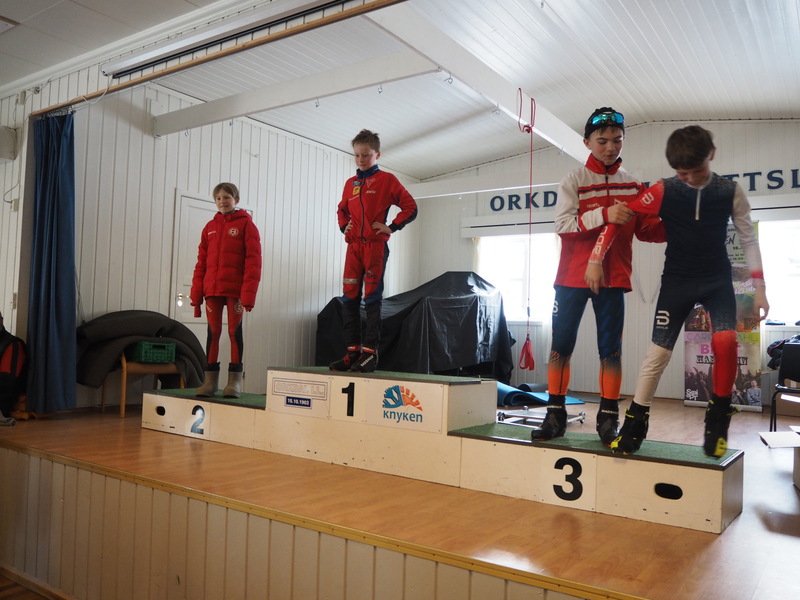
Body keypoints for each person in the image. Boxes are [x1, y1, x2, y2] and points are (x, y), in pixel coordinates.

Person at [586, 125, 769, 457]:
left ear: (711, 156)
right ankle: (635, 423)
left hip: (716, 281)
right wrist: (595, 259)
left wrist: (761, 290)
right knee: (658, 355)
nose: (690, 179)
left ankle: (718, 422)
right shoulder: (663, 189)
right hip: (677, 282)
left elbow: (748, 239)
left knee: (726, 343)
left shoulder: (730, 191)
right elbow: (620, 218)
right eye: (682, 174)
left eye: (696, 171)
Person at [533, 108, 665, 445]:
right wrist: (605, 214)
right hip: (572, 277)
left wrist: (678, 226)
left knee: (611, 351)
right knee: (561, 347)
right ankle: (554, 414)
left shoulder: (634, 185)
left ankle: (608, 419)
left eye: (617, 140)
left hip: (614, 277)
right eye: (602, 141)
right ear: (587, 143)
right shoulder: (574, 180)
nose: (610, 147)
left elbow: (646, 231)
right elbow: (563, 226)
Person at [329, 129, 418, 373]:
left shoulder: (387, 180)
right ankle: (352, 352)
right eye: (357, 155)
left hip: (374, 247)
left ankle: (370, 354)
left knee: (371, 299)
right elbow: (342, 210)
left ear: (377, 154)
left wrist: (391, 227)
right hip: (353, 249)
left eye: (366, 155)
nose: (361, 159)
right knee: (349, 298)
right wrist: (344, 227)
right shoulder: (351, 184)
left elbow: (410, 207)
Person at [190, 182, 262, 398]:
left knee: (233, 332)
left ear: (236, 200)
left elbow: (253, 262)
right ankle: (210, 382)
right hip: (212, 290)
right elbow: (201, 263)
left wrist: (248, 294)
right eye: (219, 198)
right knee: (213, 333)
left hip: (235, 291)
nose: (223, 201)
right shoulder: (209, 228)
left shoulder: (247, 225)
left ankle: (234, 382)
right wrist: (196, 294)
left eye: (227, 197)